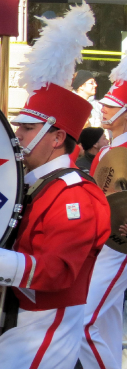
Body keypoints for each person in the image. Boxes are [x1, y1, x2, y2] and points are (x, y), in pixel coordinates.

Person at [0, 3, 110, 369]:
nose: (16, 135)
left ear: (56, 138)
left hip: (41, 324)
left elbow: (56, 270)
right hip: (3, 317)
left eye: (25, 128)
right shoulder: (24, 184)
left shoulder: (76, 194)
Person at [80, 51, 127, 369]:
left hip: (119, 246)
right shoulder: (111, 147)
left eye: (111, 104)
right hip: (101, 243)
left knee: (82, 323)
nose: (104, 107)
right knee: (105, 324)